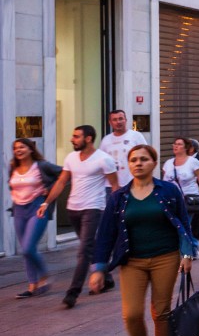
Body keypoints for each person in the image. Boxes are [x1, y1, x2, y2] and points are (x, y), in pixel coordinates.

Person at [90, 144, 199, 336]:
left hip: (165, 257)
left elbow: (184, 224)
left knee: (160, 312)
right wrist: (99, 268)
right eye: (133, 160)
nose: (138, 163)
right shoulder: (119, 197)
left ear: (153, 163)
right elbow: (106, 233)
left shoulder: (169, 191)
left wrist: (187, 254)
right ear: (128, 165)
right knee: (131, 314)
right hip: (132, 261)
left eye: (143, 159)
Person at [37, 125, 119, 307]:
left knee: (84, 251)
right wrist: (46, 202)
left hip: (93, 208)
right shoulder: (71, 158)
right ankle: (106, 277)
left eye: (76, 136)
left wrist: (115, 210)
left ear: (88, 138)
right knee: (89, 247)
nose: (71, 139)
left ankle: (72, 293)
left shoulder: (104, 160)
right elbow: (61, 182)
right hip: (73, 209)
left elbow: (115, 186)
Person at [9, 139, 61, 299]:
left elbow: (65, 174)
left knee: (28, 248)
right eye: (16, 148)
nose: (18, 150)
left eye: (22, 147)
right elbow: (11, 185)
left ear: (31, 149)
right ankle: (32, 286)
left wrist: (49, 189)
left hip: (38, 208)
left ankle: (44, 275)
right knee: (26, 251)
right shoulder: (13, 167)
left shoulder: (42, 166)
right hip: (19, 210)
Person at [163, 137, 199, 221]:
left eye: (179, 144)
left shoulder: (193, 162)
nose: (176, 146)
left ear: (186, 147)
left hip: (187, 201)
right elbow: (164, 182)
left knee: (183, 226)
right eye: (174, 144)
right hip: (171, 201)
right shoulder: (168, 163)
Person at [99, 109, 147, 188]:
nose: (118, 122)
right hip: (110, 186)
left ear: (125, 120)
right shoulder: (105, 140)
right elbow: (102, 162)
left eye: (121, 119)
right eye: (115, 120)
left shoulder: (136, 136)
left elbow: (146, 156)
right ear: (110, 122)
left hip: (132, 184)